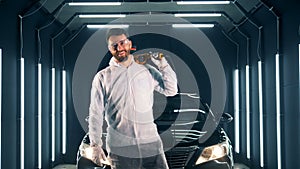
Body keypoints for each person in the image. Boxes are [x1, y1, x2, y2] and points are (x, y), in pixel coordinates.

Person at [88, 28, 178, 169]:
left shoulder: (146, 70)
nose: (119, 48)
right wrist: (95, 144)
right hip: (121, 148)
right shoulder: (103, 77)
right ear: (109, 48)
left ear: (129, 44)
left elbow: (171, 90)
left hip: (151, 143)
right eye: (114, 45)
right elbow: (95, 113)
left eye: (122, 43)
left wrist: (163, 65)